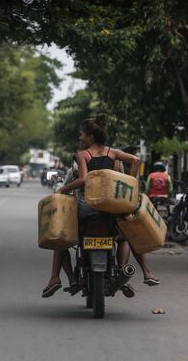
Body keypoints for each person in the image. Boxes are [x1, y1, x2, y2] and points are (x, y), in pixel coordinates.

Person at [42, 114, 140, 298]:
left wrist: (62, 190)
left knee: (61, 237)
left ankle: (63, 278)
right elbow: (135, 160)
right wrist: (131, 183)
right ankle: (122, 270)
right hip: (111, 208)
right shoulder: (114, 154)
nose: (80, 137)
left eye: (82, 134)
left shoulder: (82, 156)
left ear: (90, 136)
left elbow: (83, 179)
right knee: (124, 238)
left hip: (87, 208)